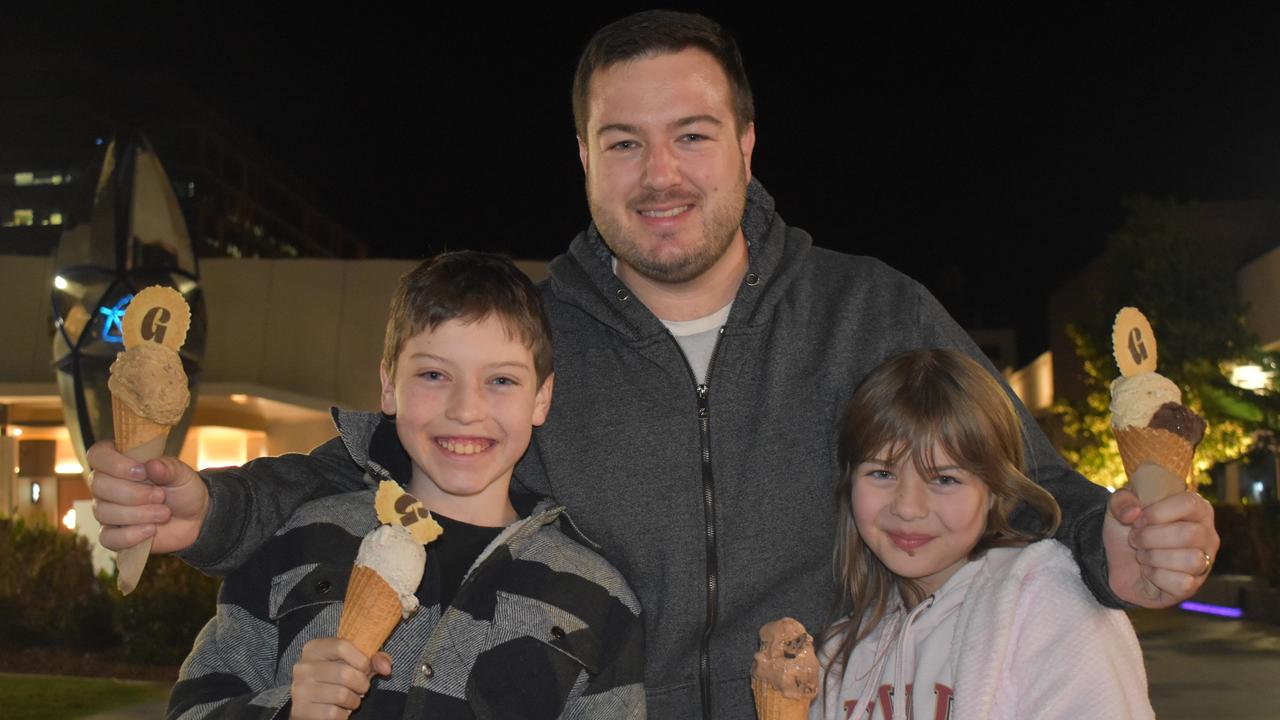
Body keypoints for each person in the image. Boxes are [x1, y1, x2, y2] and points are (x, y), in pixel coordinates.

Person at [90, 11, 1218, 719]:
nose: (659, 172)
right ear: (583, 160)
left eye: (690, 133)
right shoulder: (532, 337)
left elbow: (1037, 491)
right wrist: (216, 508)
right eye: (622, 142)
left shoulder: (871, 310)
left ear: (745, 145)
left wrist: (1121, 547)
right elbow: (378, 457)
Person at [149, 251, 645, 719]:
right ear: (388, 387)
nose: (466, 409)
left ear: (541, 397)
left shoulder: (597, 600)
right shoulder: (297, 539)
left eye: (501, 381)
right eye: (433, 374)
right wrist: (288, 709)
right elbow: (195, 706)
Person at [811, 349, 1153, 720]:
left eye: (945, 479)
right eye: (882, 473)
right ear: (849, 484)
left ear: (995, 491)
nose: (908, 507)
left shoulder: (1046, 608)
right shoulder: (838, 655)